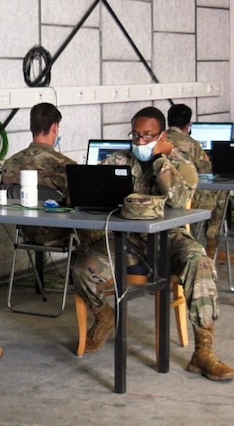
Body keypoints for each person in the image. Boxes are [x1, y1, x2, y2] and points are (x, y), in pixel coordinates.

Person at [71, 106, 234, 381]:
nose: (140, 142)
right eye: (135, 135)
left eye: (148, 136)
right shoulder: (118, 160)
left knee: (200, 264)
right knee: (82, 268)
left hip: (169, 240)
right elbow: (93, 186)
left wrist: (160, 160)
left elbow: (179, 199)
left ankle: (203, 352)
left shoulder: (181, 163)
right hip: (126, 241)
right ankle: (105, 316)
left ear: (162, 136)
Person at [1, 102, 83, 246]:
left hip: (25, 233)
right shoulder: (65, 165)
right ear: (55, 127)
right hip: (61, 232)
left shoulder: (10, 163)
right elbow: (78, 202)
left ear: (31, 127)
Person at [167, 103, 222, 255]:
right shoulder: (193, 144)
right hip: (187, 200)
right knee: (221, 193)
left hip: (163, 196)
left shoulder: (160, 141)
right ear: (188, 126)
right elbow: (206, 173)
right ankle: (212, 242)